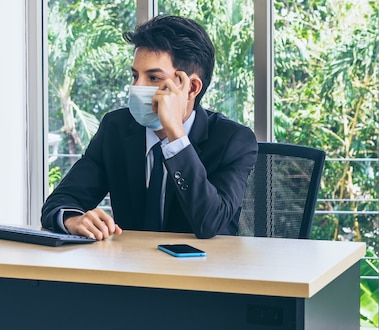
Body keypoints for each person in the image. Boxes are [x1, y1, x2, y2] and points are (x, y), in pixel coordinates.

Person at [41, 14, 258, 240]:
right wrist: (73, 219)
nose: (137, 87)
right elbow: (59, 203)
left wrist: (175, 134)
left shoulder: (233, 140)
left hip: (202, 271)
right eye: (135, 76)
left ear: (191, 88)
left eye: (153, 78)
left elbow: (210, 223)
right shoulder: (116, 129)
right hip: (129, 270)